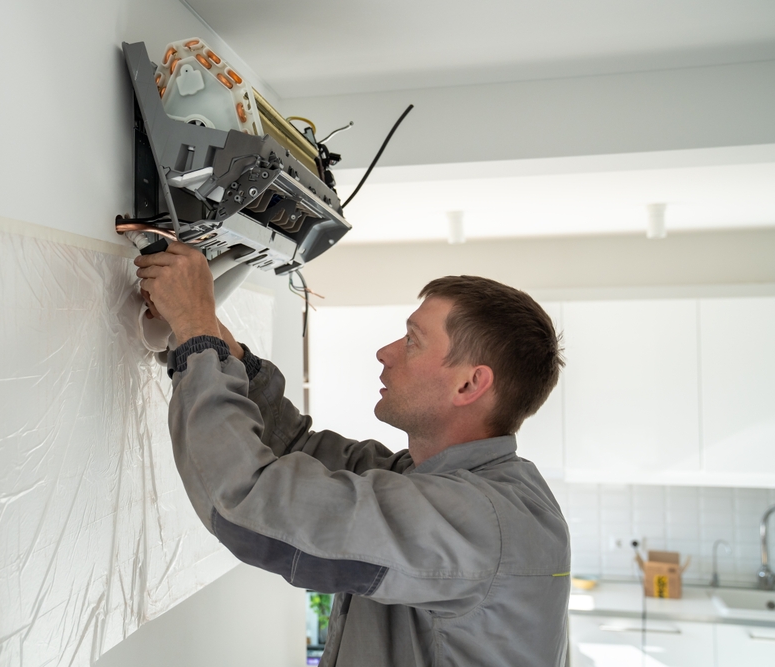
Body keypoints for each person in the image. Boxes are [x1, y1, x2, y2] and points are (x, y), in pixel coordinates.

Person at [134, 242, 570, 666]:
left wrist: (196, 335)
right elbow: (295, 450)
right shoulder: (450, 483)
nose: (385, 353)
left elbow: (248, 503)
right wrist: (216, 344)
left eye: (412, 341)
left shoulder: (480, 524)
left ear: (469, 385)